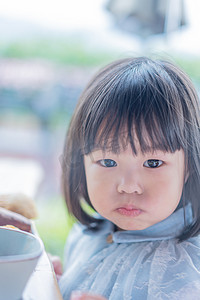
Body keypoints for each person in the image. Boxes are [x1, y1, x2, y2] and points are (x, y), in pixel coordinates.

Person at [58, 57, 200, 300]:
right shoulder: (88, 233)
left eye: (153, 163)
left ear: (189, 166)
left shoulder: (188, 269)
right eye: (108, 162)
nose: (128, 186)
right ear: (81, 164)